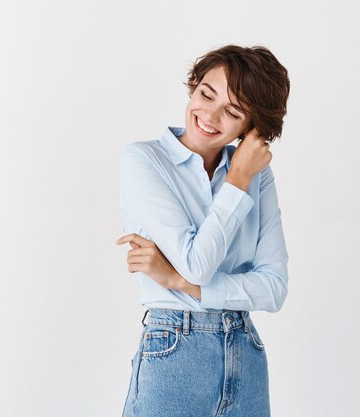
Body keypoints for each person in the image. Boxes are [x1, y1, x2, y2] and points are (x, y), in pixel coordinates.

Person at [115, 44, 290, 417]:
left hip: (246, 352)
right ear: (193, 85)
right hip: (174, 348)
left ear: (252, 127)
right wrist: (239, 178)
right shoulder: (144, 160)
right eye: (206, 94)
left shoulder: (258, 177)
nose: (209, 115)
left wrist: (182, 284)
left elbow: (274, 289)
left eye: (232, 111)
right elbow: (197, 264)